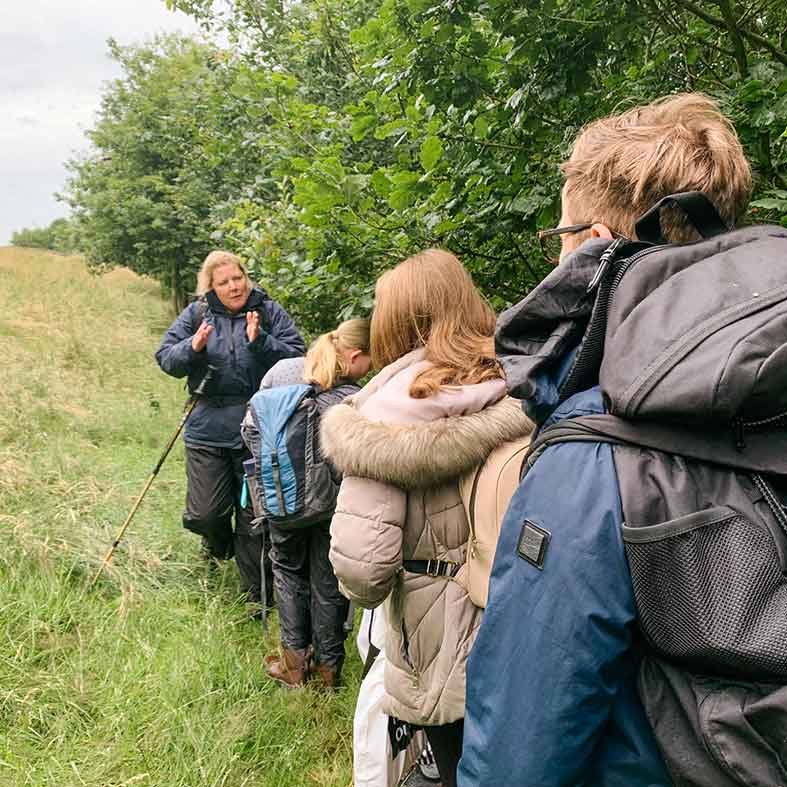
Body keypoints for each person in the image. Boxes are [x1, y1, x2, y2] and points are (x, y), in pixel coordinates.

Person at [458, 94, 753, 786]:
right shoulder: (765, 400)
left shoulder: (593, 453)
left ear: (590, 244)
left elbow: (517, 756)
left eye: (557, 235)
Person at [320, 250, 533, 787]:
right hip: (526, 623)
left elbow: (363, 572)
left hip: (434, 638)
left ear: (396, 321)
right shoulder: (521, 379)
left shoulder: (387, 416)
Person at [155, 250, 305, 608]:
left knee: (255, 517)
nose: (234, 286)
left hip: (257, 427)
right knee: (205, 513)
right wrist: (192, 348)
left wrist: (261, 341)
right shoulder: (197, 314)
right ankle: (216, 541)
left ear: (246, 277)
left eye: (238, 278)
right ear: (211, 287)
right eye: (224, 282)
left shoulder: (267, 311)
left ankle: (255, 598)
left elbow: (299, 356)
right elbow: (165, 357)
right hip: (207, 426)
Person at [259, 318, 372, 689]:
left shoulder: (282, 371)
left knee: (288, 571)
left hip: (284, 500)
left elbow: (252, 427)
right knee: (327, 580)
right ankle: (327, 671)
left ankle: (294, 665)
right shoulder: (352, 397)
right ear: (354, 356)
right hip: (329, 505)